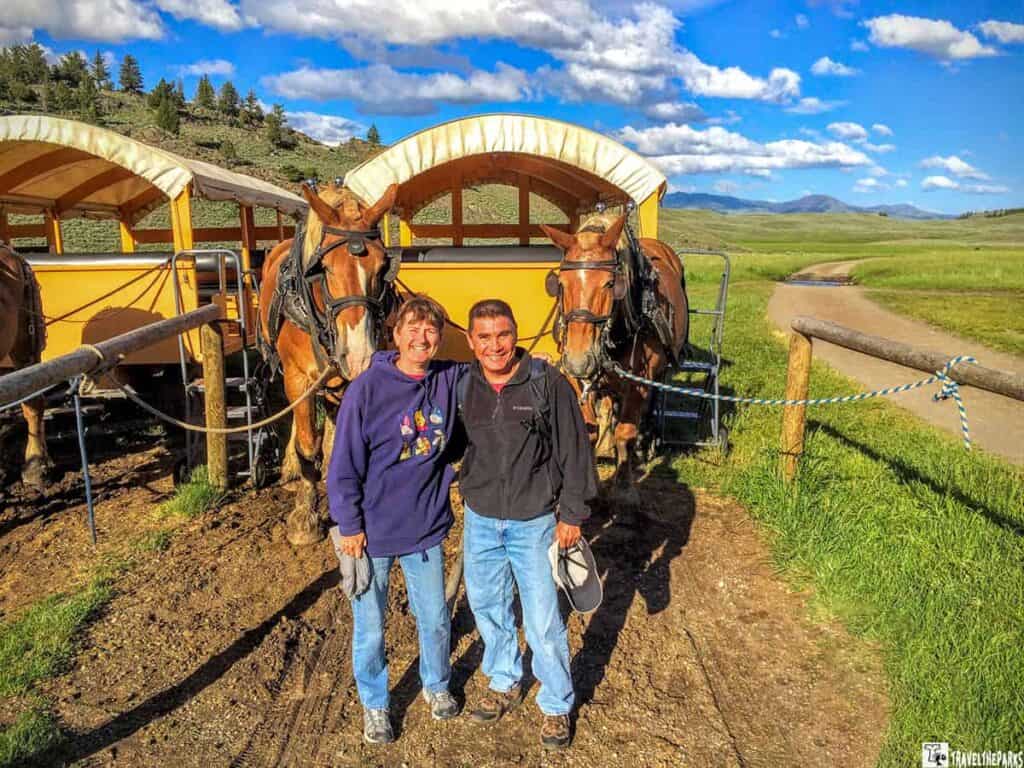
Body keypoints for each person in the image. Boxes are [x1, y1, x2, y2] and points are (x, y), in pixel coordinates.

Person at [458, 298, 598, 750]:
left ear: (515, 334)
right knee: (488, 608)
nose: (495, 345)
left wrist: (572, 514)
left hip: (534, 521)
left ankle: (556, 704)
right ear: (471, 342)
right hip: (481, 519)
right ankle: (504, 680)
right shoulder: (465, 384)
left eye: (502, 335)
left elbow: (574, 450)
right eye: (484, 337)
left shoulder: (545, 381)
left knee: (542, 621)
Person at [327, 295, 463, 745]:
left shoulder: (447, 379)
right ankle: (376, 704)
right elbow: (344, 463)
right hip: (372, 534)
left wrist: (531, 362)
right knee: (371, 628)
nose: (421, 337)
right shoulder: (367, 388)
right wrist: (349, 526)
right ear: (395, 334)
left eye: (430, 330)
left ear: (440, 338)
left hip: (424, 528)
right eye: (412, 328)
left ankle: (437, 685)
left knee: (436, 618)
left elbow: (497, 373)